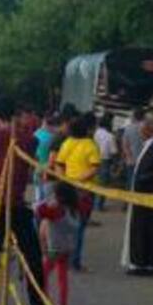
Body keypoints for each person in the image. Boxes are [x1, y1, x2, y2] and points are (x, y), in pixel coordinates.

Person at [0, 98, 47, 305]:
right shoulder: (29, 141)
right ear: (17, 116)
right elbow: (29, 143)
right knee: (33, 255)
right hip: (15, 204)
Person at [121, 114, 153, 275]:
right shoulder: (150, 145)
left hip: (149, 196)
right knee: (141, 230)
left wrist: (148, 182)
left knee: (147, 230)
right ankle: (140, 261)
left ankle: (146, 263)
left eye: (143, 129)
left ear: (150, 130)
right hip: (143, 197)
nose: (140, 131)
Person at [55, 113, 100, 271]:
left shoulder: (67, 143)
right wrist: (79, 180)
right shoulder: (90, 145)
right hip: (84, 192)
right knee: (79, 226)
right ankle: (75, 261)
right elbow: (94, 168)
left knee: (66, 223)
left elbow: (59, 164)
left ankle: (63, 257)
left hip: (67, 189)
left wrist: (65, 180)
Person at [36, 182, 87, 305]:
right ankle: (63, 304)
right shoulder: (74, 209)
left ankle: (43, 299)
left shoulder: (56, 210)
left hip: (55, 247)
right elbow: (86, 204)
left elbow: (39, 211)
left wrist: (48, 202)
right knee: (62, 275)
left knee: (43, 272)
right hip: (69, 247)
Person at [93, 113, 118, 211]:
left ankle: (95, 205)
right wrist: (115, 165)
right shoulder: (110, 136)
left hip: (93, 160)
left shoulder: (95, 133)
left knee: (95, 183)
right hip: (105, 161)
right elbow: (114, 151)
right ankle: (99, 205)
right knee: (103, 184)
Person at [120, 107, 146, 197]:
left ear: (134, 117)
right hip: (143, 161)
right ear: (143, 117)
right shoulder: (146, 129)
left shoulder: (128, 129)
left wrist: (128, 157)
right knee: (141, 182)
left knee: (130, 181)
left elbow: (125, 145)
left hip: (131, 160)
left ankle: (128, 202)